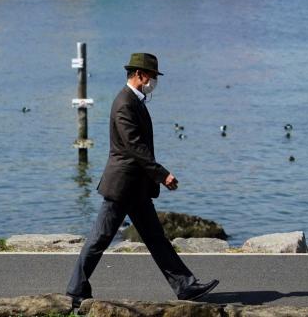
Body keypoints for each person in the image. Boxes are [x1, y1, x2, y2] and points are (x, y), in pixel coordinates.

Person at [66, 52, 219, 309]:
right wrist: (162, 174)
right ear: (139, 75)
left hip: (135, 187)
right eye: (151, 77)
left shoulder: (136, 100)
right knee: (100, 238)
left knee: (156, 238)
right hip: (122, 185)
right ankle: (76, 289)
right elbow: (134, 147)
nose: (154, 82)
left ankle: (185, 285)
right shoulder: (124, 103)